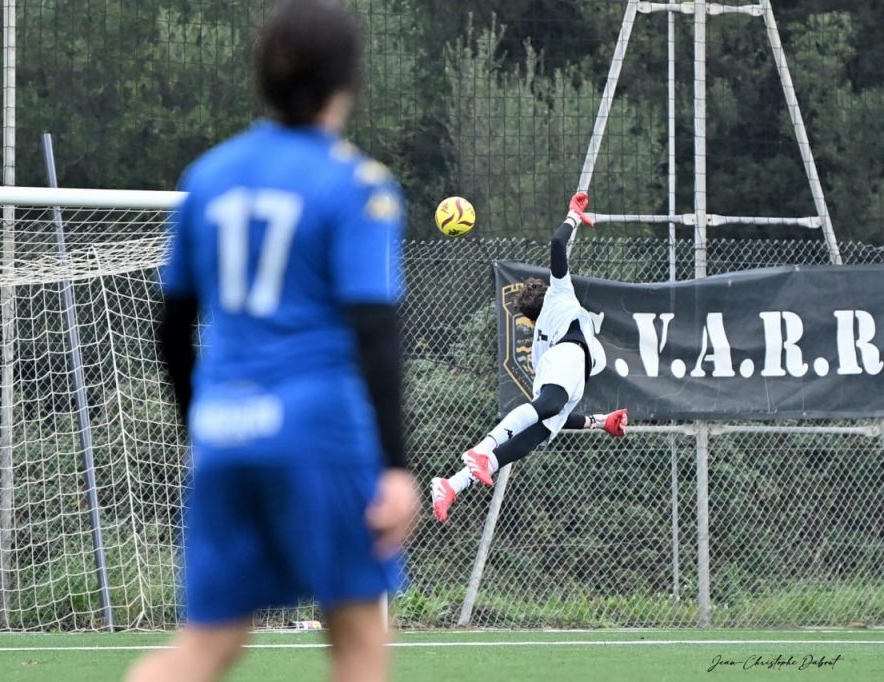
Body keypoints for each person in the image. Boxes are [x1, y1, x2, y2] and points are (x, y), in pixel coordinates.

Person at [126, 2, 418, 681]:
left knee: (205, 646)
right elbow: (375, 333)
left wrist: (202, 424)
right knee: (358, 637)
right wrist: (396, 467)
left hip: (226, 435)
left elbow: (171, 330)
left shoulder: (208, 177)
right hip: (319, 436)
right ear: (348, 79)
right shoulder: (357, 185)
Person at [431, 192, 628, 523]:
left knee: (532, 437)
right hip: (571, 354)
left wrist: (600, 421)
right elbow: (557, 244)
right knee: (546, 408)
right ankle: (480, 451)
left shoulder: (541, 353)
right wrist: (573, 214)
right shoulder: (559, 293)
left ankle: (451, 485)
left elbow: (556, 413)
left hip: (574, 371)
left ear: (528, 320)